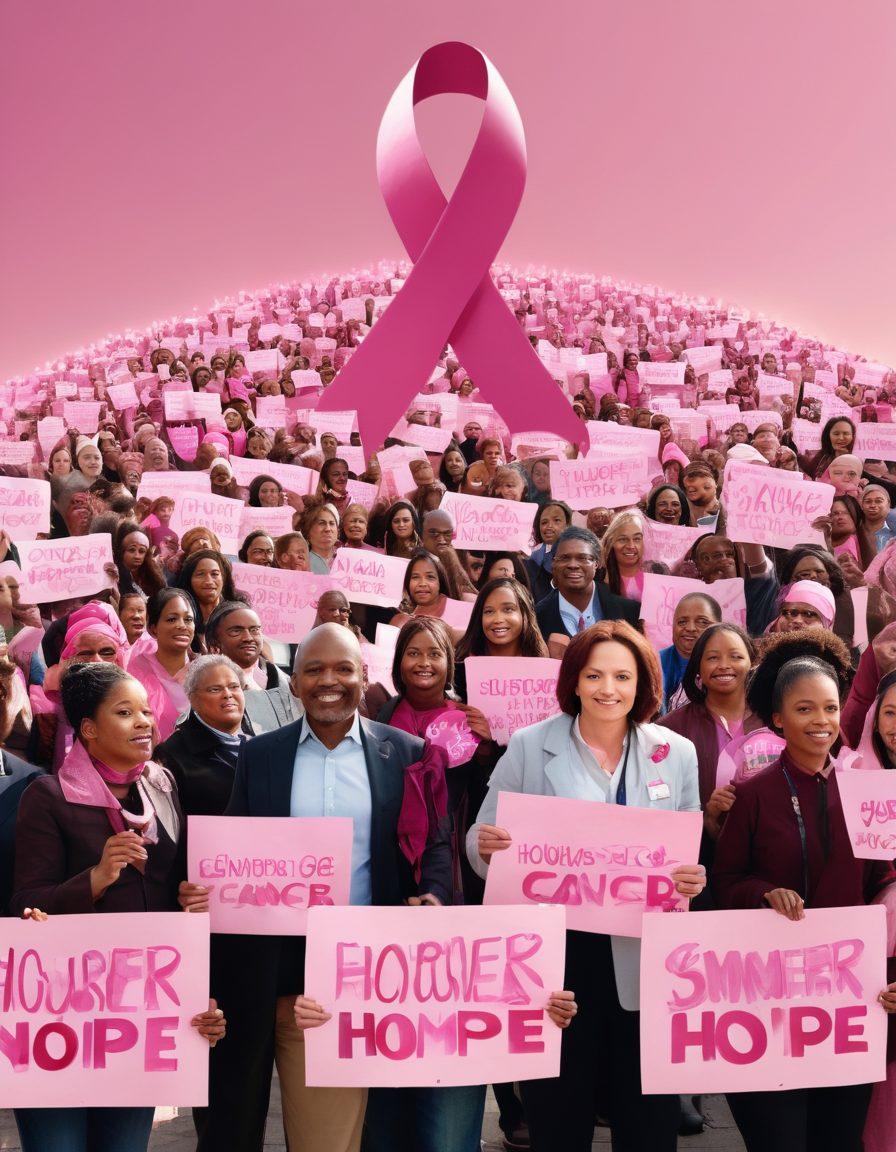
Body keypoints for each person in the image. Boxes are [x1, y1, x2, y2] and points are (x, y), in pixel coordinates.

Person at [196, 624, 453, 1152]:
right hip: (269, 964)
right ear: (294, 683)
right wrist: (203, 889)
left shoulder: (407, 753)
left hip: (361, 968)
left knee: (330, 1135)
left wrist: (432, 894)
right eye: (314, 669)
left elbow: (435, 843)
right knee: (238, 1118)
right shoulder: (260, 755)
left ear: (364, 676)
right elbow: (233, 848)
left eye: (342, 668)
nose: (328, 680)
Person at [467, 620, 704, 1151]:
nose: (607, 689)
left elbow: (687, 850)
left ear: (642, 684)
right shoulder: (530, 745)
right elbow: (477, 840)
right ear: (573, 680)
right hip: (556, 962)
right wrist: (486, 848)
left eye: (622, 676)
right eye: (594, 675)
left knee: (647, 1122)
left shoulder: (676, 752)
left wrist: (693, 878)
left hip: (643, 961)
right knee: (559, 1116)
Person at [10, 662, 224, 1152]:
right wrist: (96, 878)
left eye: (146, 711)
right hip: (62, 1019)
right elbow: (26, 904)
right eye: (125, 713)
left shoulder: (162, 784)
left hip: (136, 1023)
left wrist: (189, 904)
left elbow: (172, 896)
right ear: (88, 729)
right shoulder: (47, 796)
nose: (144, 722)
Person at [713, 654, 896, 1152]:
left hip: (846, 1002)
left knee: (840, 1136)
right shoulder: (752, 795)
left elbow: (884, 885)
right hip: (770, 1001)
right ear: (778, 719)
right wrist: (762, 893)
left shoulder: (864, 795)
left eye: (831, 708)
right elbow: (725, 883)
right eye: (804, 708)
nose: (821, 720)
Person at [660, 623, 759, 824]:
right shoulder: (670, 729)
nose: (724, 665)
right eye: (713, 658)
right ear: (698, 668)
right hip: (697, 839)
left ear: (751, 663)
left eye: (736, 656)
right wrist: (707, 818)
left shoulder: (773, 722)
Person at [154, 655, 250, 816]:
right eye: (215, 689)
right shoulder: (171, 754)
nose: (228, 694)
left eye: (234, 686)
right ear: (193, 699)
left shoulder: (264, 744)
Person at [534, 526, 640, 655]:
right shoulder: (536, 619)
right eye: (565, 558)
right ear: (553, 563)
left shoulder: (631, 613)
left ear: (596, 563)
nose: (573, 565)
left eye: (583, 558)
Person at [205, 601, 301, 733]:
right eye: (236, 631)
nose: (248, 638)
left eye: (254, 630)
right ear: (215, 641)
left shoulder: (288, 684)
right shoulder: (203, 686)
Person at [126, 588, 195, 743]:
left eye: (188, 619)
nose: (182, 625)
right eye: (171, 619)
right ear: (153, 628)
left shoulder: (205, 672)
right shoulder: (135, 673)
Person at [658, 592, 722, 712]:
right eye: (682, 622)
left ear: (719, 627)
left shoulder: (728, 666)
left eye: (702, 622)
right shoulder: (654, 664)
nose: (690, 628)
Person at [524, 500, 573, 603]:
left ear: (567, 524)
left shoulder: (580, 555)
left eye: (556, 520)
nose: (549, 526)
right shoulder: (531, 559)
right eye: (544, 522)